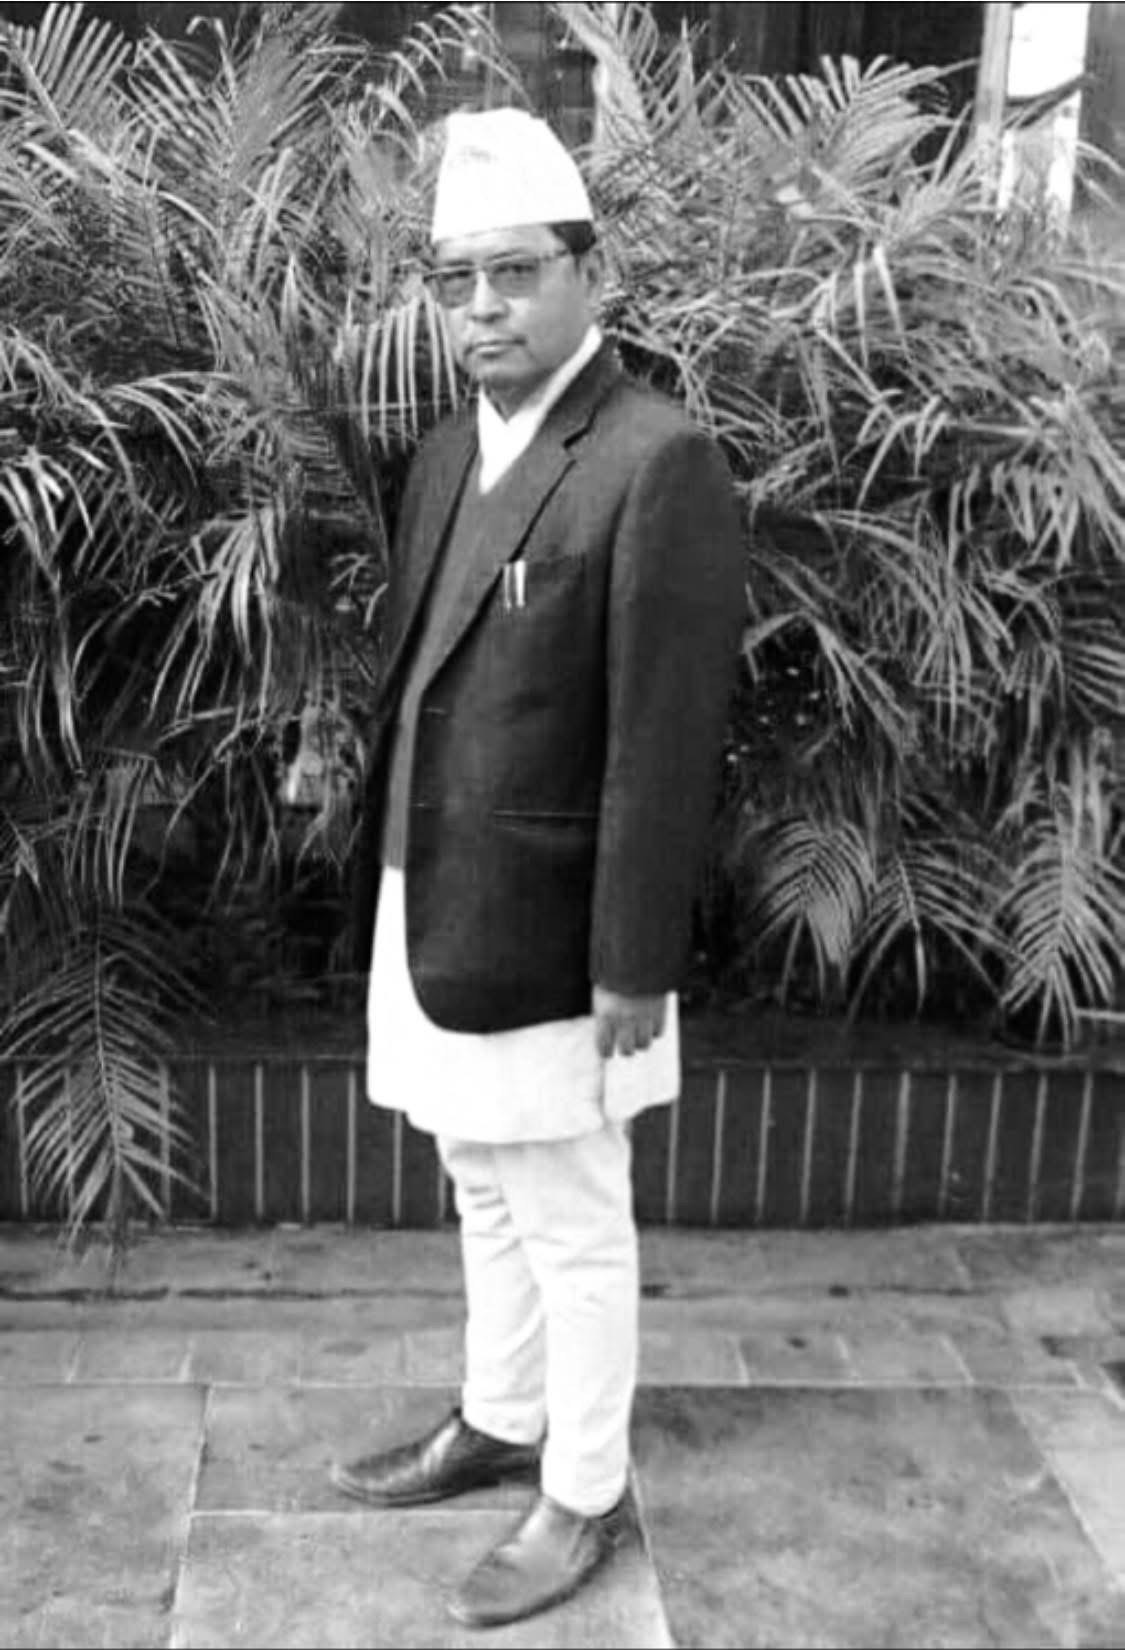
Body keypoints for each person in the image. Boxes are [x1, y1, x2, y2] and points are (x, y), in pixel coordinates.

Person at [331, 106, 745, 1630]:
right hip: (433, 889)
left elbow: (665, 736)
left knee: (570, 1210)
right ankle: (499, 1415)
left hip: (565, 926)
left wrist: (635, 955)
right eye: (456, 280)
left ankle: (583, 1486)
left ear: (591, 273)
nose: (482, 308)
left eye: (515, 273)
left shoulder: (654, 458)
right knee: (477, 1178)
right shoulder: (449, 451)